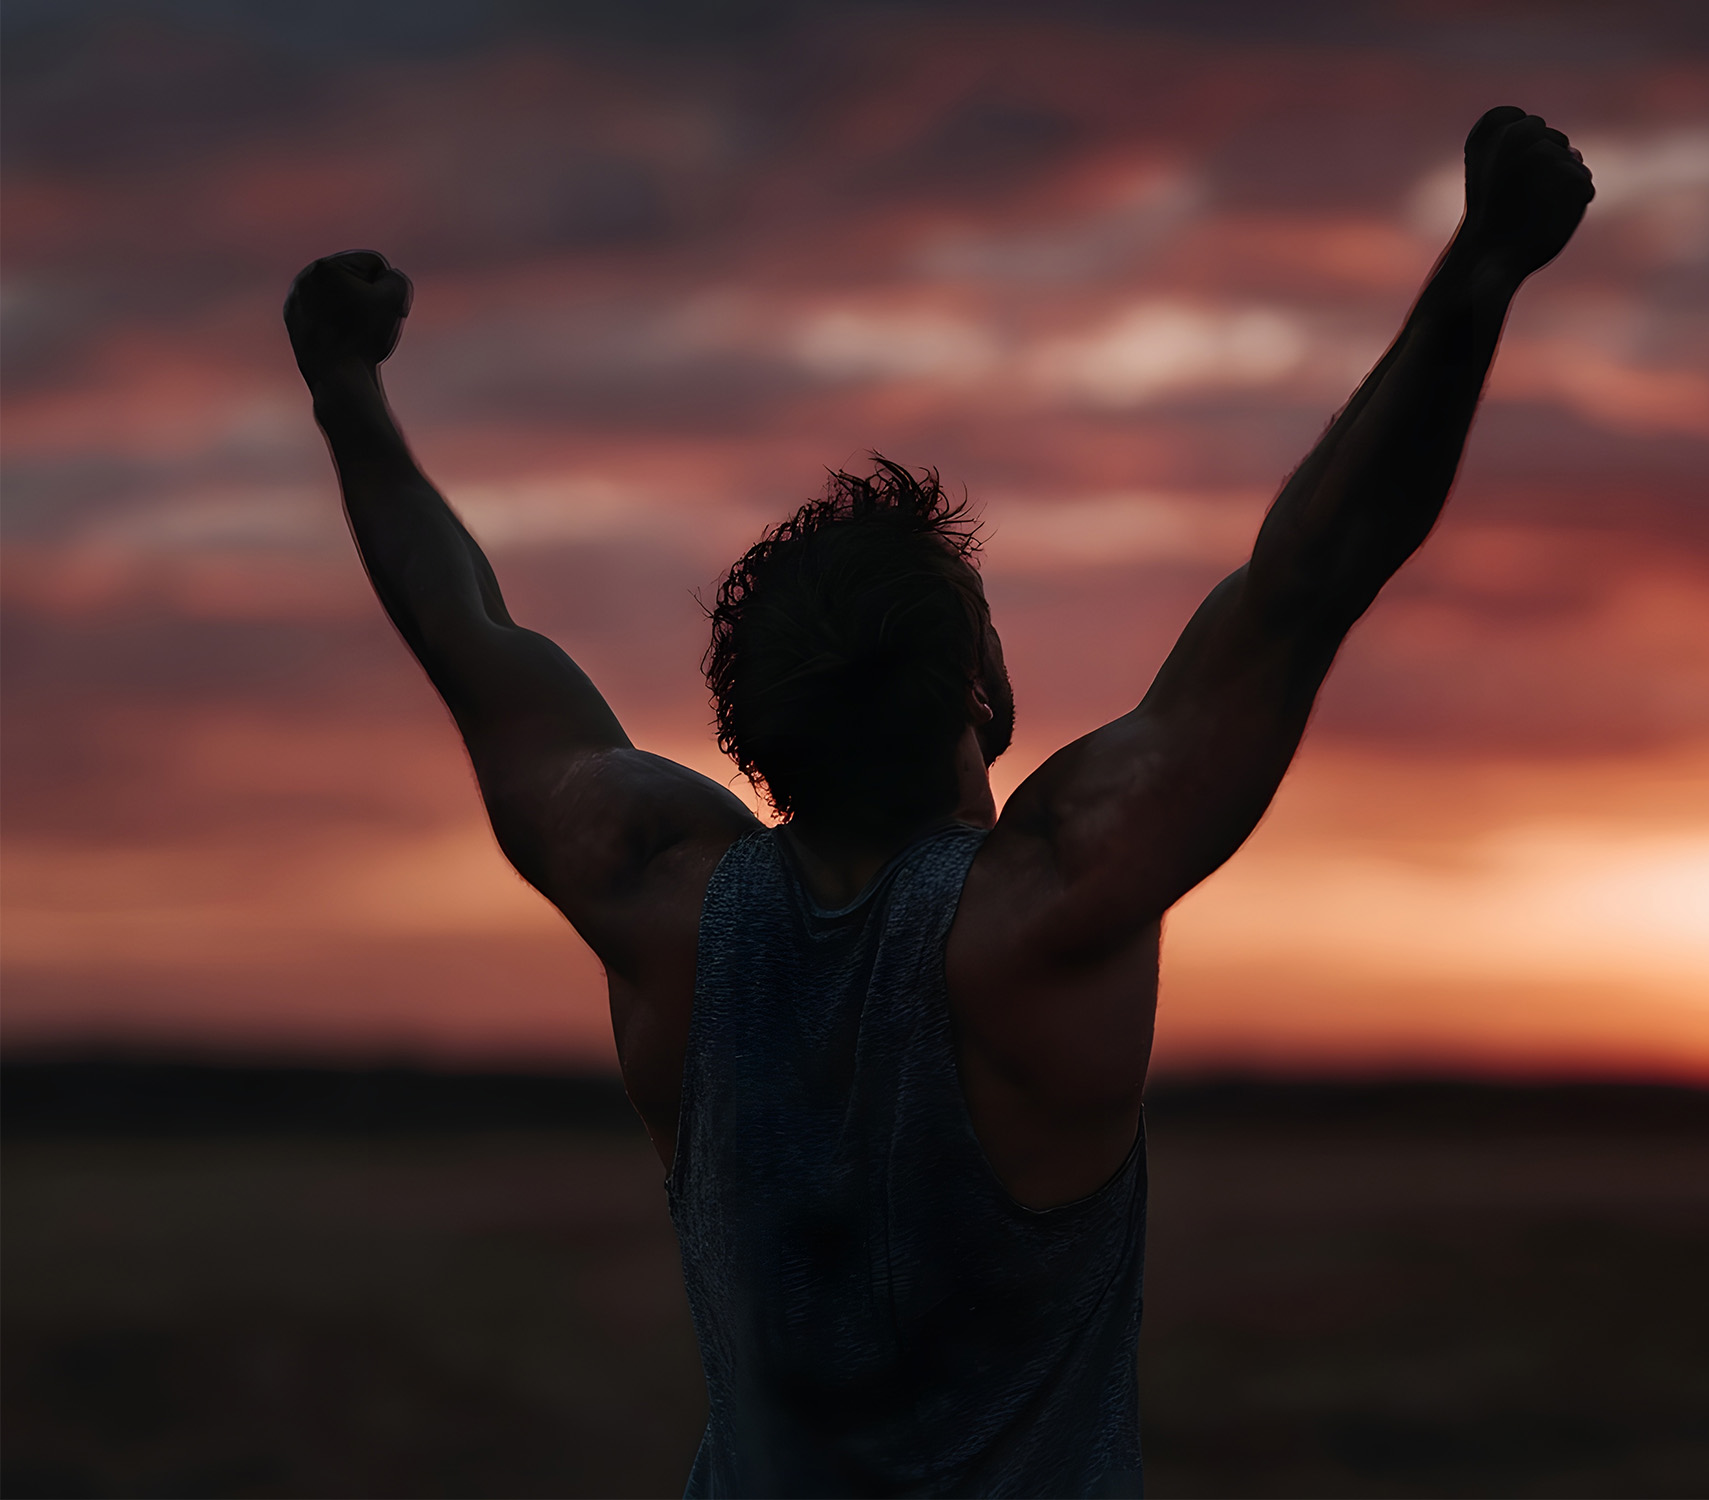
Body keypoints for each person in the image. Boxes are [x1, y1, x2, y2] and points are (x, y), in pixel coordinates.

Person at [285, 104, 1590, 1498]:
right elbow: (1310, 582)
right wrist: (1483, 267)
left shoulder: (654, 892)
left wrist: (344, 390)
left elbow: (466, 633)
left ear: (758, 735)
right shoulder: (1052, 906)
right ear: (982, 687)